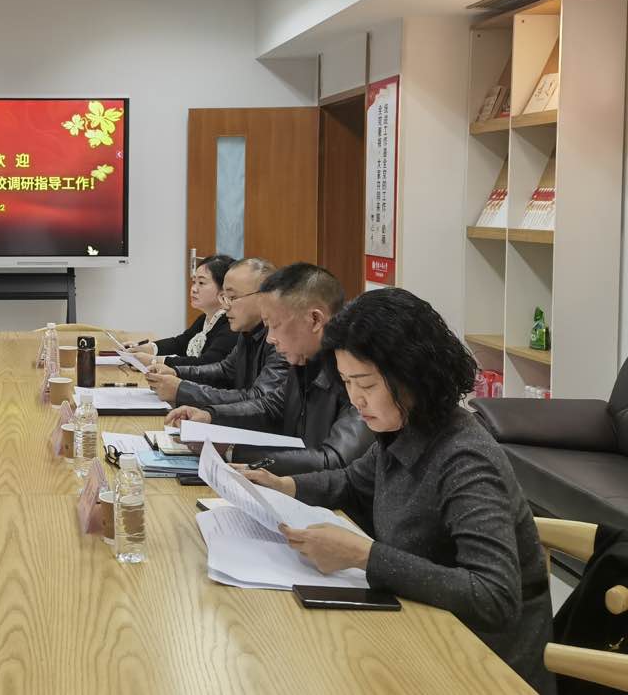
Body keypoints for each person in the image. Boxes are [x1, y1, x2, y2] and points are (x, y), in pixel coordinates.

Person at [241, 288, 555, 694]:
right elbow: (352, 482)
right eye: (347, 383)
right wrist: (284, 486)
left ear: (413, 375)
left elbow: (494, 596)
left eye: (366, 384)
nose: (356, 399)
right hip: (421, 626)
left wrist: (363, 555)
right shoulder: (404, 427)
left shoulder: (465, 459)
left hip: (482, 664)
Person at [166, 262, 372, 474]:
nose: (270, 339)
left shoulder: (358, 372)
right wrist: (210, 415)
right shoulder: (303, 360)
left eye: (275, 325)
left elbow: (334, 461)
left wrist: (232, 452)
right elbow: (271, 406)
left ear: (315, 320)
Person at [145, 257, 286, 408]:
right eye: (224, 297)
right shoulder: (247, 331)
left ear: (263, 297)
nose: (225, 306)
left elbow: (259, 400)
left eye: (232, 297)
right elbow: (224, 370)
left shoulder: (280, 339)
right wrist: (175, 372)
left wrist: (181, 390)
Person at [128, 254, 238, 369]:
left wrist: (154, 361)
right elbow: (180, 343)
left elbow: (206, 364)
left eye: (201, 283)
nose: (193, 289)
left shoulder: (231, 325)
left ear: (224, 290)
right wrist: (146, 348)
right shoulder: (205, 319)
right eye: (194, 281)